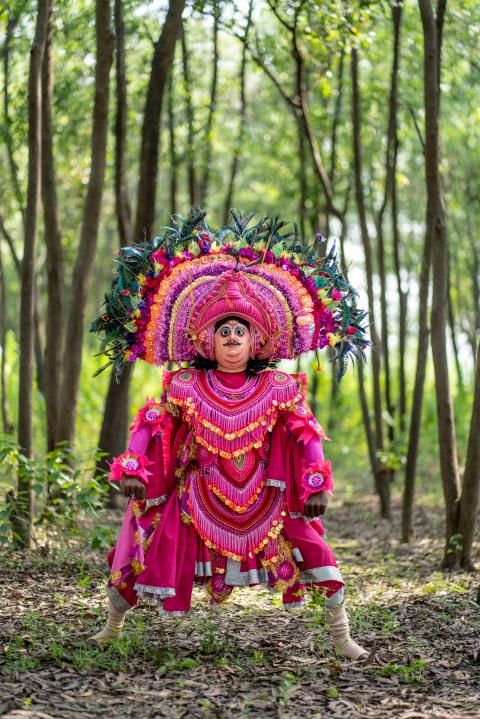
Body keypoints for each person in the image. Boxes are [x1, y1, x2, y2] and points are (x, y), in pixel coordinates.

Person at [89, 210, 370, 660]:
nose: (233, 337)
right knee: (145, 527)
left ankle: (342, 637)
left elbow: (306, 432)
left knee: (314, 546)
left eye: (242, 331)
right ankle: (111, 625)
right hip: (197, 492)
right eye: (225, 331)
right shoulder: (183, 384)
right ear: (207, 341)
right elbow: (151, 424)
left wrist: (318, 481)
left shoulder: (279, 387)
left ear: (258, 341)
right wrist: (133, 466)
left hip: (267, 495)